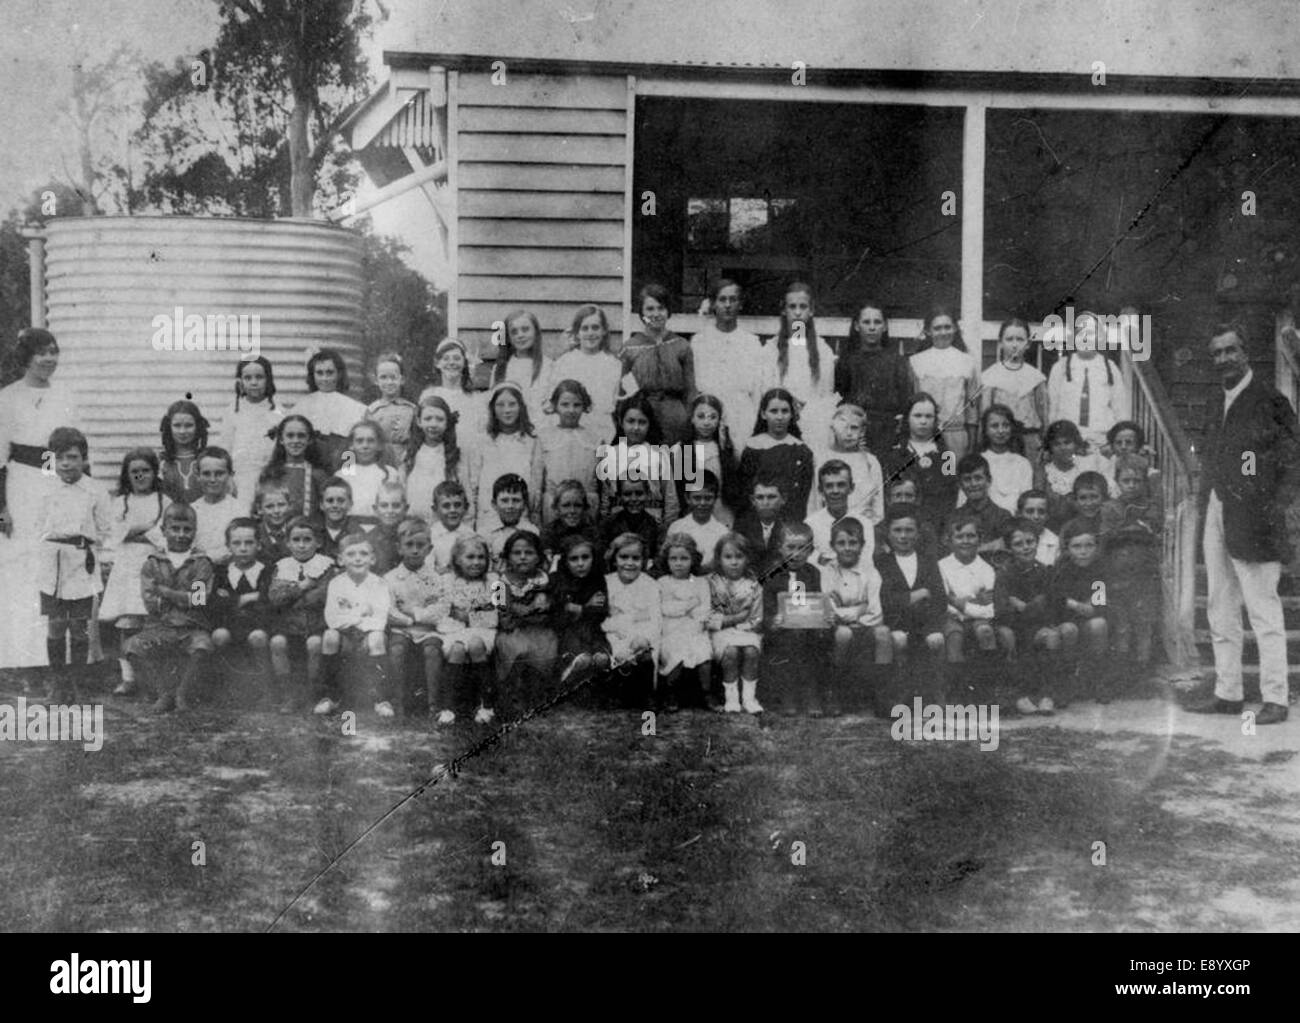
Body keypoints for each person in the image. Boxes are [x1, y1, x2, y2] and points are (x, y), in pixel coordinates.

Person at [1188, 323, 1300, 725]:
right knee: (1220, 606)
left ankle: (1275, 698)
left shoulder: (1270, 400)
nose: (1223, 360)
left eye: (1229, 351)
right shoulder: (1214, 401)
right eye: (1216, 353)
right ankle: (1228, 693)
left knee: (1263, 610)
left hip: (1256, 519)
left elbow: (1293, 460)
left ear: (1245, 351)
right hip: (1217, 510)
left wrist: (1273, 506)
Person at [0, 328, 81, 672]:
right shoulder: (7, 397)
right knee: (20, 565)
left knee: (54, 560)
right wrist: (1, 506)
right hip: (19, 486)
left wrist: (57, 482)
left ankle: (56, 656)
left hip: (52, 481)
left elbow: (64, 447)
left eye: (53, 351)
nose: (49, 359)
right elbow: (2, 456)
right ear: (26, 357)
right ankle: (18, 654)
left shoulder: (65, 394)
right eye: (41, 353)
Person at [35, 426, 111, 702]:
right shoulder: (45, 489)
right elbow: (38, 525)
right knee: (56, 625)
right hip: (53, 564)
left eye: (72, 457)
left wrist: (90, 550)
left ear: (84, 459)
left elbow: (104, 528)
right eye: (60, 458)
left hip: (81, 563)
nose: (66, 464)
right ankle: (58, 681)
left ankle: (78, 681)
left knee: (79, 627)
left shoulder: (95, 490)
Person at [124, 503, 216, 713]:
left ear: (195, 531)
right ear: (164, 530)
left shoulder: (201, 563)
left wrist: (166, 592)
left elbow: (199, 599)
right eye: (175, 529)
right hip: (161, 626)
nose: (181, 535)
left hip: (191, 626)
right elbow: (150, 602)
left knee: (202, 645)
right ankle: (163, 693)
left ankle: (182, 694)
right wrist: (182, 598)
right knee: (132, 647)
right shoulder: (153, 563)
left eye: (187, 529)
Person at [98, 448, 169, 695]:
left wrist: (136, 531)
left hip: (152, 566)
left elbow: (164, 535)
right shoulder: (120, 502)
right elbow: (114, 533)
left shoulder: (164, 501)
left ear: (154, 472)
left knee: (150, 622)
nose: (140, 476)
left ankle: (151, 677)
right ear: (127, 476)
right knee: (127, 623)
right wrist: (144, 528)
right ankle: (128, 677)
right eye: (134, 472)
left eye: (145, 471)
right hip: (127, 568)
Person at [321, 532, 394, 718]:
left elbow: (380, 619)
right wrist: (360, 614)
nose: (358, 559)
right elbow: (332, 619)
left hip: (369, 636)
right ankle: (330, 697)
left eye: (363, 554)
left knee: (377, 637)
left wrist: (352, 617)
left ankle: (381, 699)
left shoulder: (379, 584)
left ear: (372, 558)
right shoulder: (336, 584)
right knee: (329, 636)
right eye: (351, 554)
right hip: (344, 635)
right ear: (340, 559)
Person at [761, 281, 838, 450]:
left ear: (811, 310)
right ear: (784, 310)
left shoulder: (822, 350)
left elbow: (826, 394)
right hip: (781, 421)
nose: (797, 312)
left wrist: (807, 408)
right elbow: (766, 389)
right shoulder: (771, 349)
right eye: (792, 306)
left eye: (802, 307)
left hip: (813, 423)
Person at [384, 517, 447, 718]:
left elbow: (441, 609)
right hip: (402, 628)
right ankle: (398, 702)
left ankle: (433, 705)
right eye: (409, 545)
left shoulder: (437, 579)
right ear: (399, 548)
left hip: (428, 630)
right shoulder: (390, 578)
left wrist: (416, 613)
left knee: (431, 650)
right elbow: (389, 611)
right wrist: (409, 620)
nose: (415, 550)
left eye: (420, 545)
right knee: (397, 649)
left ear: (429, 549)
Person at [620, 284, 695, 444]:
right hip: (642, 418)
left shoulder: (682, 345)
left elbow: (690, 392)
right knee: (646, 464)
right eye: (650, 309)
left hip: (675, 416)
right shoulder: (630, 347)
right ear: (641, 313)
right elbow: (623, 393)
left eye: (661, 308)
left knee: (682, 464)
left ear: (668, 312)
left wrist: (687, 423)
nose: (656, 314)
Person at [1045, 311, 1130, 451]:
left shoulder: (1109, 367)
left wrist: (1119, 438)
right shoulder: (1060, 368)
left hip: (1102, 440)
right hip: (1068, 440)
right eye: (1080, 333)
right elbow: (1052, 407)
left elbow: (1120, 408)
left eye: (1091, 333)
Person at [834, 300, 911, 452]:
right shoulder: (847, 360)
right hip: (855, 431)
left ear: (885, 326)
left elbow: (904, 399)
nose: (872, 327)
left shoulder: (896, 361)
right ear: (857, 326)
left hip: (887, 431)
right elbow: (840, 396)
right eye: (866, 322)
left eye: (877, 322)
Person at [690, 279, 765, 435]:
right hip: (708, 416)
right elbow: (694, 387)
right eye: (722, 299)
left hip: (742, 416)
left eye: (733, 299)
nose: (728, 305)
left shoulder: (752, 343)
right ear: (713, 304)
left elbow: (757, 391)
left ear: (740, 304)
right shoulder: (700, 341)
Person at [465, 382, 543, 531]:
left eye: (512, 404)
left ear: (521, 407)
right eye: (500, 405)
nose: (507, 410)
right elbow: (473, 484)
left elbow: (535, 484)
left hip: (520, 513)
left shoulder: (532, 441)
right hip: (488, 514)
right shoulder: (481, 441)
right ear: (493, 408)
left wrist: (534, 514)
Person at [909, 306, 980, 458]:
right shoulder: (917, 362)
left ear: (955, 329)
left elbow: (972, 407)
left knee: (952, 475)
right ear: (928, 331)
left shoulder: (967, 362)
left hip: (956, 435)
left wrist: (972, 442)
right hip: (924, 435)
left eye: (947, 327)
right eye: (937, 328)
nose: (943, 332)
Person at [707, 532, 765, 714]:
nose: (734, 562)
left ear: (747, 559)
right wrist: (731, 621)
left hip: (747, 631)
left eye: (739, 557)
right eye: (728, 557)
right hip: (721, 632)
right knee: (730, 652)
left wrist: (743, 626)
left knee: (751, 651)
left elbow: (756, 617)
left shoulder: (754, 585)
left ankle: (749, 698)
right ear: (719, 558)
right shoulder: (711, 583)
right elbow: (708, 617)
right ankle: (731, 698)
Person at [656, 533, 714, 711]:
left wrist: (687, 611)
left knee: (704, 652)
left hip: (695, 629)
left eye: (684, 558)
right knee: (675, 651)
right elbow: (663, 609)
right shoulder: (662, 583)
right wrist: (688, 605)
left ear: (693, 560)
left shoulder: (700, 583)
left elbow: (704, 610)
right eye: (673, 559)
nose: (678, 563)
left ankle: (707, 693)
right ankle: (671, 692)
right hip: (669, 630)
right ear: (666, 561)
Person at [216, 356, 283, 510]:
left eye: (259, 377)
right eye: (248, 378)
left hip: (269, 479)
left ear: (268, 380)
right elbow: (225, 449)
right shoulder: (232, 411)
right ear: (240, 382)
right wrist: (228, 479)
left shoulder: (278, 412)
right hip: (240, 479)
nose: (254, 382)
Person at [739, 388, 815, 521]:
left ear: (792, 414)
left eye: (785, 411)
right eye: (774, 411)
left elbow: (803, 494)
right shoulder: (690, 448)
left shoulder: (801, 450)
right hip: (751, 516)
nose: (779, 417)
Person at [980, 318, 1048, 464]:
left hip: (1030, 441)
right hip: (999, 442)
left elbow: (1043, 416)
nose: (1015, 344)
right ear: (1000, 343)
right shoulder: (990, 376)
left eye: (1020, 339)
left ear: (1028, 343)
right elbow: (985, 416)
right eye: (1009, 339)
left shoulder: (1036, 377)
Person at [291, 348, 367, 472]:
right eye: (319, 373)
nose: (325, 378)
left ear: (339, 374)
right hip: (312, 468)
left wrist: (348, 474)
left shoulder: (355, 408)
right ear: (312, 375)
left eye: (330, 372)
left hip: (343, 464)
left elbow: (353, 450)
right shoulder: (302, 405)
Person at [550, 305, 622, 434]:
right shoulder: (564, 363)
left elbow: (617, 404)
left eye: (595, 327)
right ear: (577, 333)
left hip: (603, 431)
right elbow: (555, 401)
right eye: (585, 328)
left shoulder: (614, 365)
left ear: (604, 331)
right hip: (570, 430)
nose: (590, 333)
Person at [404, 394, 462, 525]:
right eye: (428, 418)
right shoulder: (410, 455)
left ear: (447, 422)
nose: (433, 424)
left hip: (445, 525)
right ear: (419, 421)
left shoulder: (454, 455)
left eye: (439, 419)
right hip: (415, 525)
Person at [493, 310, 553, 428]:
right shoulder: (501, 368)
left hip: (541, 430)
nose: (520, 335)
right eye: (514, 332)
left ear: (535, 332)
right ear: (508, 338)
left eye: (525, 329)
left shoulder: (549, 366)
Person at [366, 352, 419, 469]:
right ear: (376, 380)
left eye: (393, 377)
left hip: (406, 461)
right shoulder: (371, 411)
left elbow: (417, 439)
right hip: (379, 461)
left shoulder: (411, 409)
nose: (389, 382)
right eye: (383, 377)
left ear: (402, 380)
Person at [157, 399, 209, 505]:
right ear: (168, 427)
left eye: (189, 425)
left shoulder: (208, 459)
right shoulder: (160, 462)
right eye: (177, 425)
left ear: (198, 426)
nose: (182, 431)